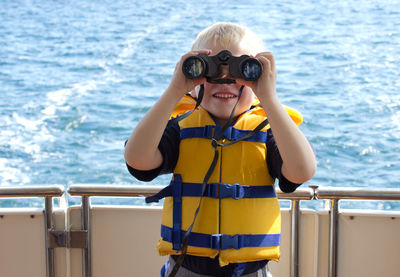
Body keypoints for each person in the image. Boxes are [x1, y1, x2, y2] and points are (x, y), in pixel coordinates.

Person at [124, 22, 316, 277]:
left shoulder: (268, 131)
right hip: (185, 269)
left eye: (242, 71)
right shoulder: (180, 129)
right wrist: (174, 90)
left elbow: (302, 171)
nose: (225, 81)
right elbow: (137, 159)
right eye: (211, 70)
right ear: (193, 80)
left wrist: (269, 98)